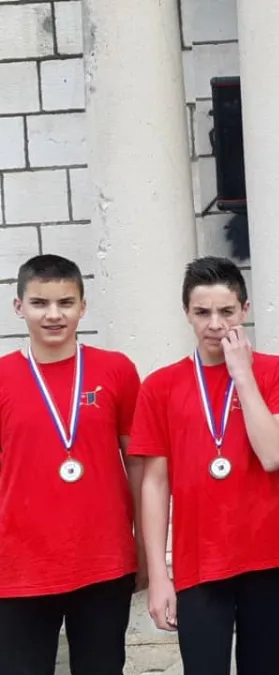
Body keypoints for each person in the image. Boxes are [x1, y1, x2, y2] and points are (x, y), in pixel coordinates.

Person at [130, 256, 279, 675]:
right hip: (198, 557)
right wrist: (158, 575)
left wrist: (242, 375)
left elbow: (273, 455)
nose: (215, 324)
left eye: (226, 311)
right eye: (202, 312)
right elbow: (154, 484)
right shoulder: (160, 386)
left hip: (266, 549)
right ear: (186, 313)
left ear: (245, 310)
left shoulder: (276, 372)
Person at [0, 254, 144, 675]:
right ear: (19, 306)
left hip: (104, 560)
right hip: (19, 567)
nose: (53, 315)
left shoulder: (116, 370)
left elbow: (138, 464)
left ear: (83, 306)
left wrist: (146, 547)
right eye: (40, 303)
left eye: (65, 302)